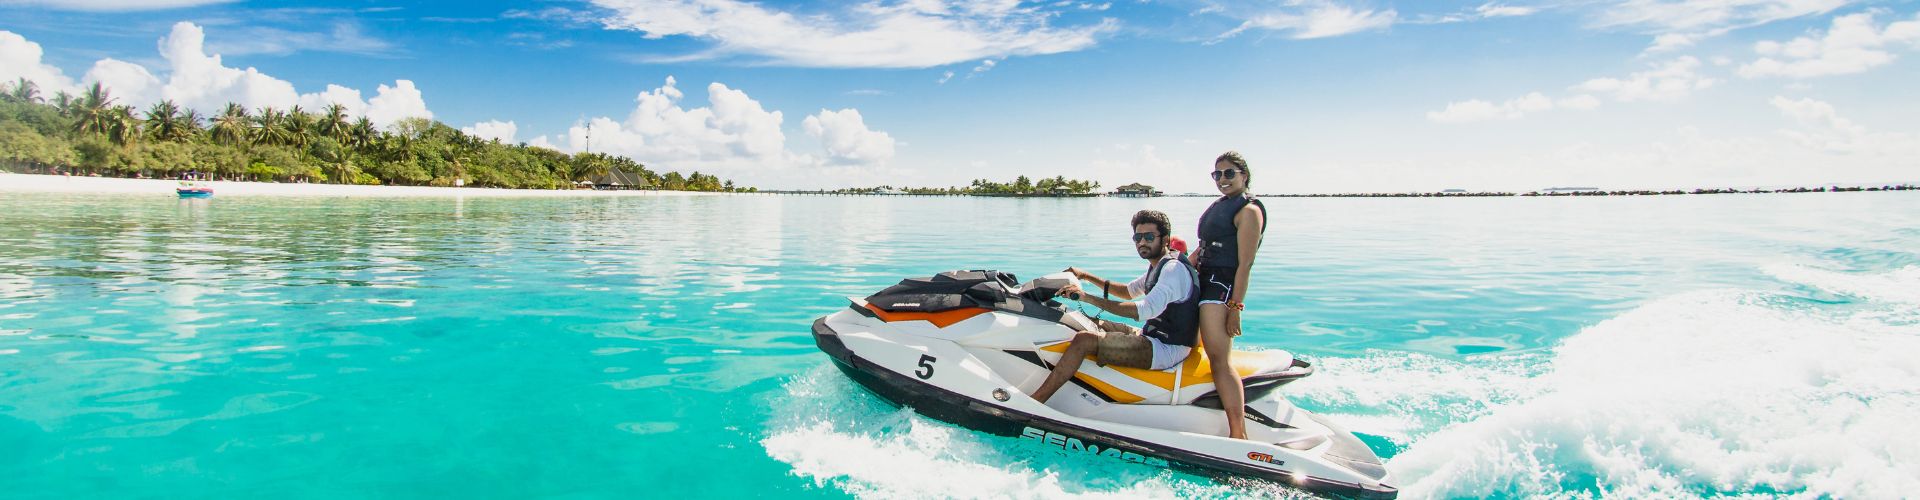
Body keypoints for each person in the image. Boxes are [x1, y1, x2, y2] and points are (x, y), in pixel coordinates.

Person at [1028, 210, 1200, 403]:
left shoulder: (1172, 270)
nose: (1142, 242)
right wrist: (1086, 276)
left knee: (1083, 340)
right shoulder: (1159, 265)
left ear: (1165, 239)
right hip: (1152, 336)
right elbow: (1128, 291)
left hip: (1166, 350)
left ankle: (1036, 401)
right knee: (1082, 321)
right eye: (1138, 237)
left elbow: (1142, 311)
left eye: (1149, 237)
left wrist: (1087, 298)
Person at [1191, 150, 1266, 440]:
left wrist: (1235, 306)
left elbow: (1246, 263)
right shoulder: (1221, 205)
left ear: (1244, 175)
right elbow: (1203, 247)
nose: (1222, 179)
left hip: (1220, 289)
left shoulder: (1249, 211)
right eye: (1217, 174)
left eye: (1229, 173)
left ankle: (1239, 434)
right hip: (1202, 281)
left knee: (1220, 360)